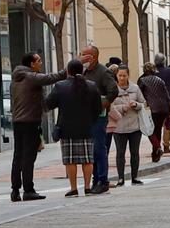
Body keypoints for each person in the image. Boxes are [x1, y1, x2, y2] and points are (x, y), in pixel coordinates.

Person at [9, 52, 66, 202]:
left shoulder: (17, 77)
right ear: (32, 64)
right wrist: (69, 70)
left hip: (18, 121)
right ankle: (28, 189)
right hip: (29, 121)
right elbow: (50, 78)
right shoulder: (30, 76)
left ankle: (15, 190)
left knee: (18, 156)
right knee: (28, 156)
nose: (41, 63)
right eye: (39, 61)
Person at [45, 60, 102, 197]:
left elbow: (48, 104)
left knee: (70, 160)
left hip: (66, 128)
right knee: (87, 159)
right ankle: (87, 187)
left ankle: (73, 188)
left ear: (68, 71)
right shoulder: (92, 86)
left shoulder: (60, 86)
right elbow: (98, 108)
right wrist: (91, 120)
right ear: (82, 70)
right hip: (86, 127)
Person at [80, 45, 118, 194]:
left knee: (99, 148)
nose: (81, 57)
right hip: (85, 116)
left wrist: (103, 104)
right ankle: (95, 179)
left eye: (84, 55)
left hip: (98, 117)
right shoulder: (82, 72)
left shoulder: (103, 72)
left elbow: (113, 90)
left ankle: (102, 179)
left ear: (93, 57)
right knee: (90, 150)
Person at [108, 66, 147, 187]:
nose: (122, 78)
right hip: (119, 126)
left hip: (135, 125)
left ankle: (135, 176)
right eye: (120, 75)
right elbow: (109, 106)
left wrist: (136, 104)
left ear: (128, 76)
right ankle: (121, 178)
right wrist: (122, 108)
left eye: (124, 75)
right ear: (116, 76)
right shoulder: (112, 89)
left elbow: (143, 103)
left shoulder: (135, 88)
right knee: (120, 153)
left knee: (134, 152)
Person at [138, 62, 170, 162]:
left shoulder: (142, 80)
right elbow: (167, 96)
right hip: (163, 109)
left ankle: (157, 147)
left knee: (149, 130)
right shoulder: (160, 80)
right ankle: (155, 154)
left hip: (151, 109)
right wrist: (169, 110)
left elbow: (139, 95)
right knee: (157, 130)